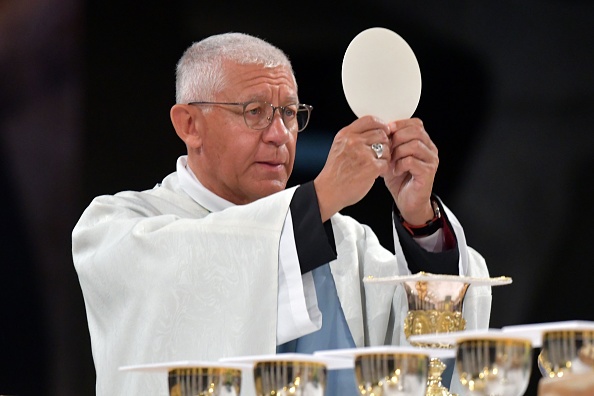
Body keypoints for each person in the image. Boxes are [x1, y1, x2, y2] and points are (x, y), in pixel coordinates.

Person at [72, 32, 491, 395]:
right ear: (189, 125)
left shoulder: (345, 241)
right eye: (254, 112)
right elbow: (191, 278)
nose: (278, 136)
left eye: (289, 114)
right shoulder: (116, 228)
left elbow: (427, 362)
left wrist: (420, 219)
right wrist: (322, 195)